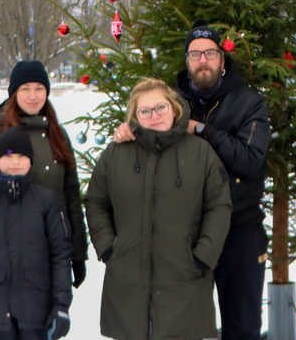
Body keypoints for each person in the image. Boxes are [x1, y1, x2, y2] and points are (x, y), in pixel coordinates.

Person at [115, 24, 270, 340]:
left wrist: (201, 130)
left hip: (239, 230)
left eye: (210, 53)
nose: (203, 60)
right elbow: (145, 141)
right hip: (183, 235)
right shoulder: (169, 105)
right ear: (187, 61)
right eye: (195, 54)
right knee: (180, 327)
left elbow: (250, 160)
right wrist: (128, 131)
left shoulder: (249, 102)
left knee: (243, 327)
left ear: (222, 59)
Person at [88, 79, 233, 340]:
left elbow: (219, 205)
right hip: (127, 285)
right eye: (145, 111)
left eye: (160, 108)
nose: (154, 116)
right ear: (135, 116)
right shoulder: (115, 154)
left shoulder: (201, 153)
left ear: (174, 108)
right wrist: (109, 248)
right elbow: (96, 201)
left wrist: (203, 256)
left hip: (184, 281)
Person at [0, 60, 88, 288]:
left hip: (52, 252)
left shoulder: (58, 136)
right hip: (3, 256)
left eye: (39, 88)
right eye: (25, 89)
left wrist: (78, 252)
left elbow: (71, 195)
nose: (33, 96)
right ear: (14, 93)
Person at [0, 127, 73, 340]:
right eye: (9, 156)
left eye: (22, 156)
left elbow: (60, 255)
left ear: (31, 161)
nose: (15, 162)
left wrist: (61, 305)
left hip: (37, 314)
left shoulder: (47, 201)